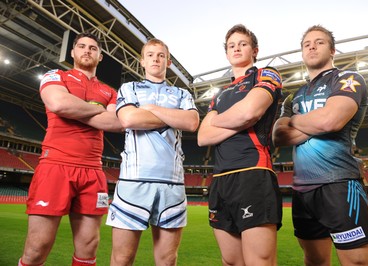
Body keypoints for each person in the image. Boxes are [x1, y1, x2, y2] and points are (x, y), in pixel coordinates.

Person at [272, 25, 368, 265]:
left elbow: (331, 120)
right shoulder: (293, 96)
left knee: (358, 262)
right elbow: (278, 136)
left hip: (339, 184)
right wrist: (315, 121)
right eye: (306, 43)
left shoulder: (348, 79)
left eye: (319, 42)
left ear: (332, 50)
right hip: (302, 191)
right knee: (314, 260)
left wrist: (295, 121)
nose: (311, 46)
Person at [19, 32, 123, 266]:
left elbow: (116, 123)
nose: (87, 50)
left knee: (89, 246)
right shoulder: (55, 76)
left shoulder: (111, 92)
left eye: (93, 48)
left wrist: (75, 110)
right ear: (73, 52)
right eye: (82, 46)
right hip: (55, 165)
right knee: (37, 248)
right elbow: (58, 103)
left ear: (100, 56)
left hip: (93, 170)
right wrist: (99, 110)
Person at [106, 38, 199, 266]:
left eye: (160, 55)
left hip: (172, 183)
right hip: (132, 182)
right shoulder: (129, 88)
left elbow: (191, 122)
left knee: (167, 260)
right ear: (142, 61)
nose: (155, 59)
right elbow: (128, 118)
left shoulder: (182, 94)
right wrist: (171, 116)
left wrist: (150, 110)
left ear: (168, 62)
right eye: (150, 55)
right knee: (122, 258)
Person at [197, 24, 283, 265]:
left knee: (259, 261)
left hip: (253, 174)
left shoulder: (265, 74)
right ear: (226, 53)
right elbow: (203, 137)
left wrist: (218, 123)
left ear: (254, 50)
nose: (236, 48)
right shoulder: (219, 94)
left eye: (242, 44)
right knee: (231, 261)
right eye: (231, 45)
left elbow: (250, 112)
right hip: (220, 180)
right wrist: (236, 119)